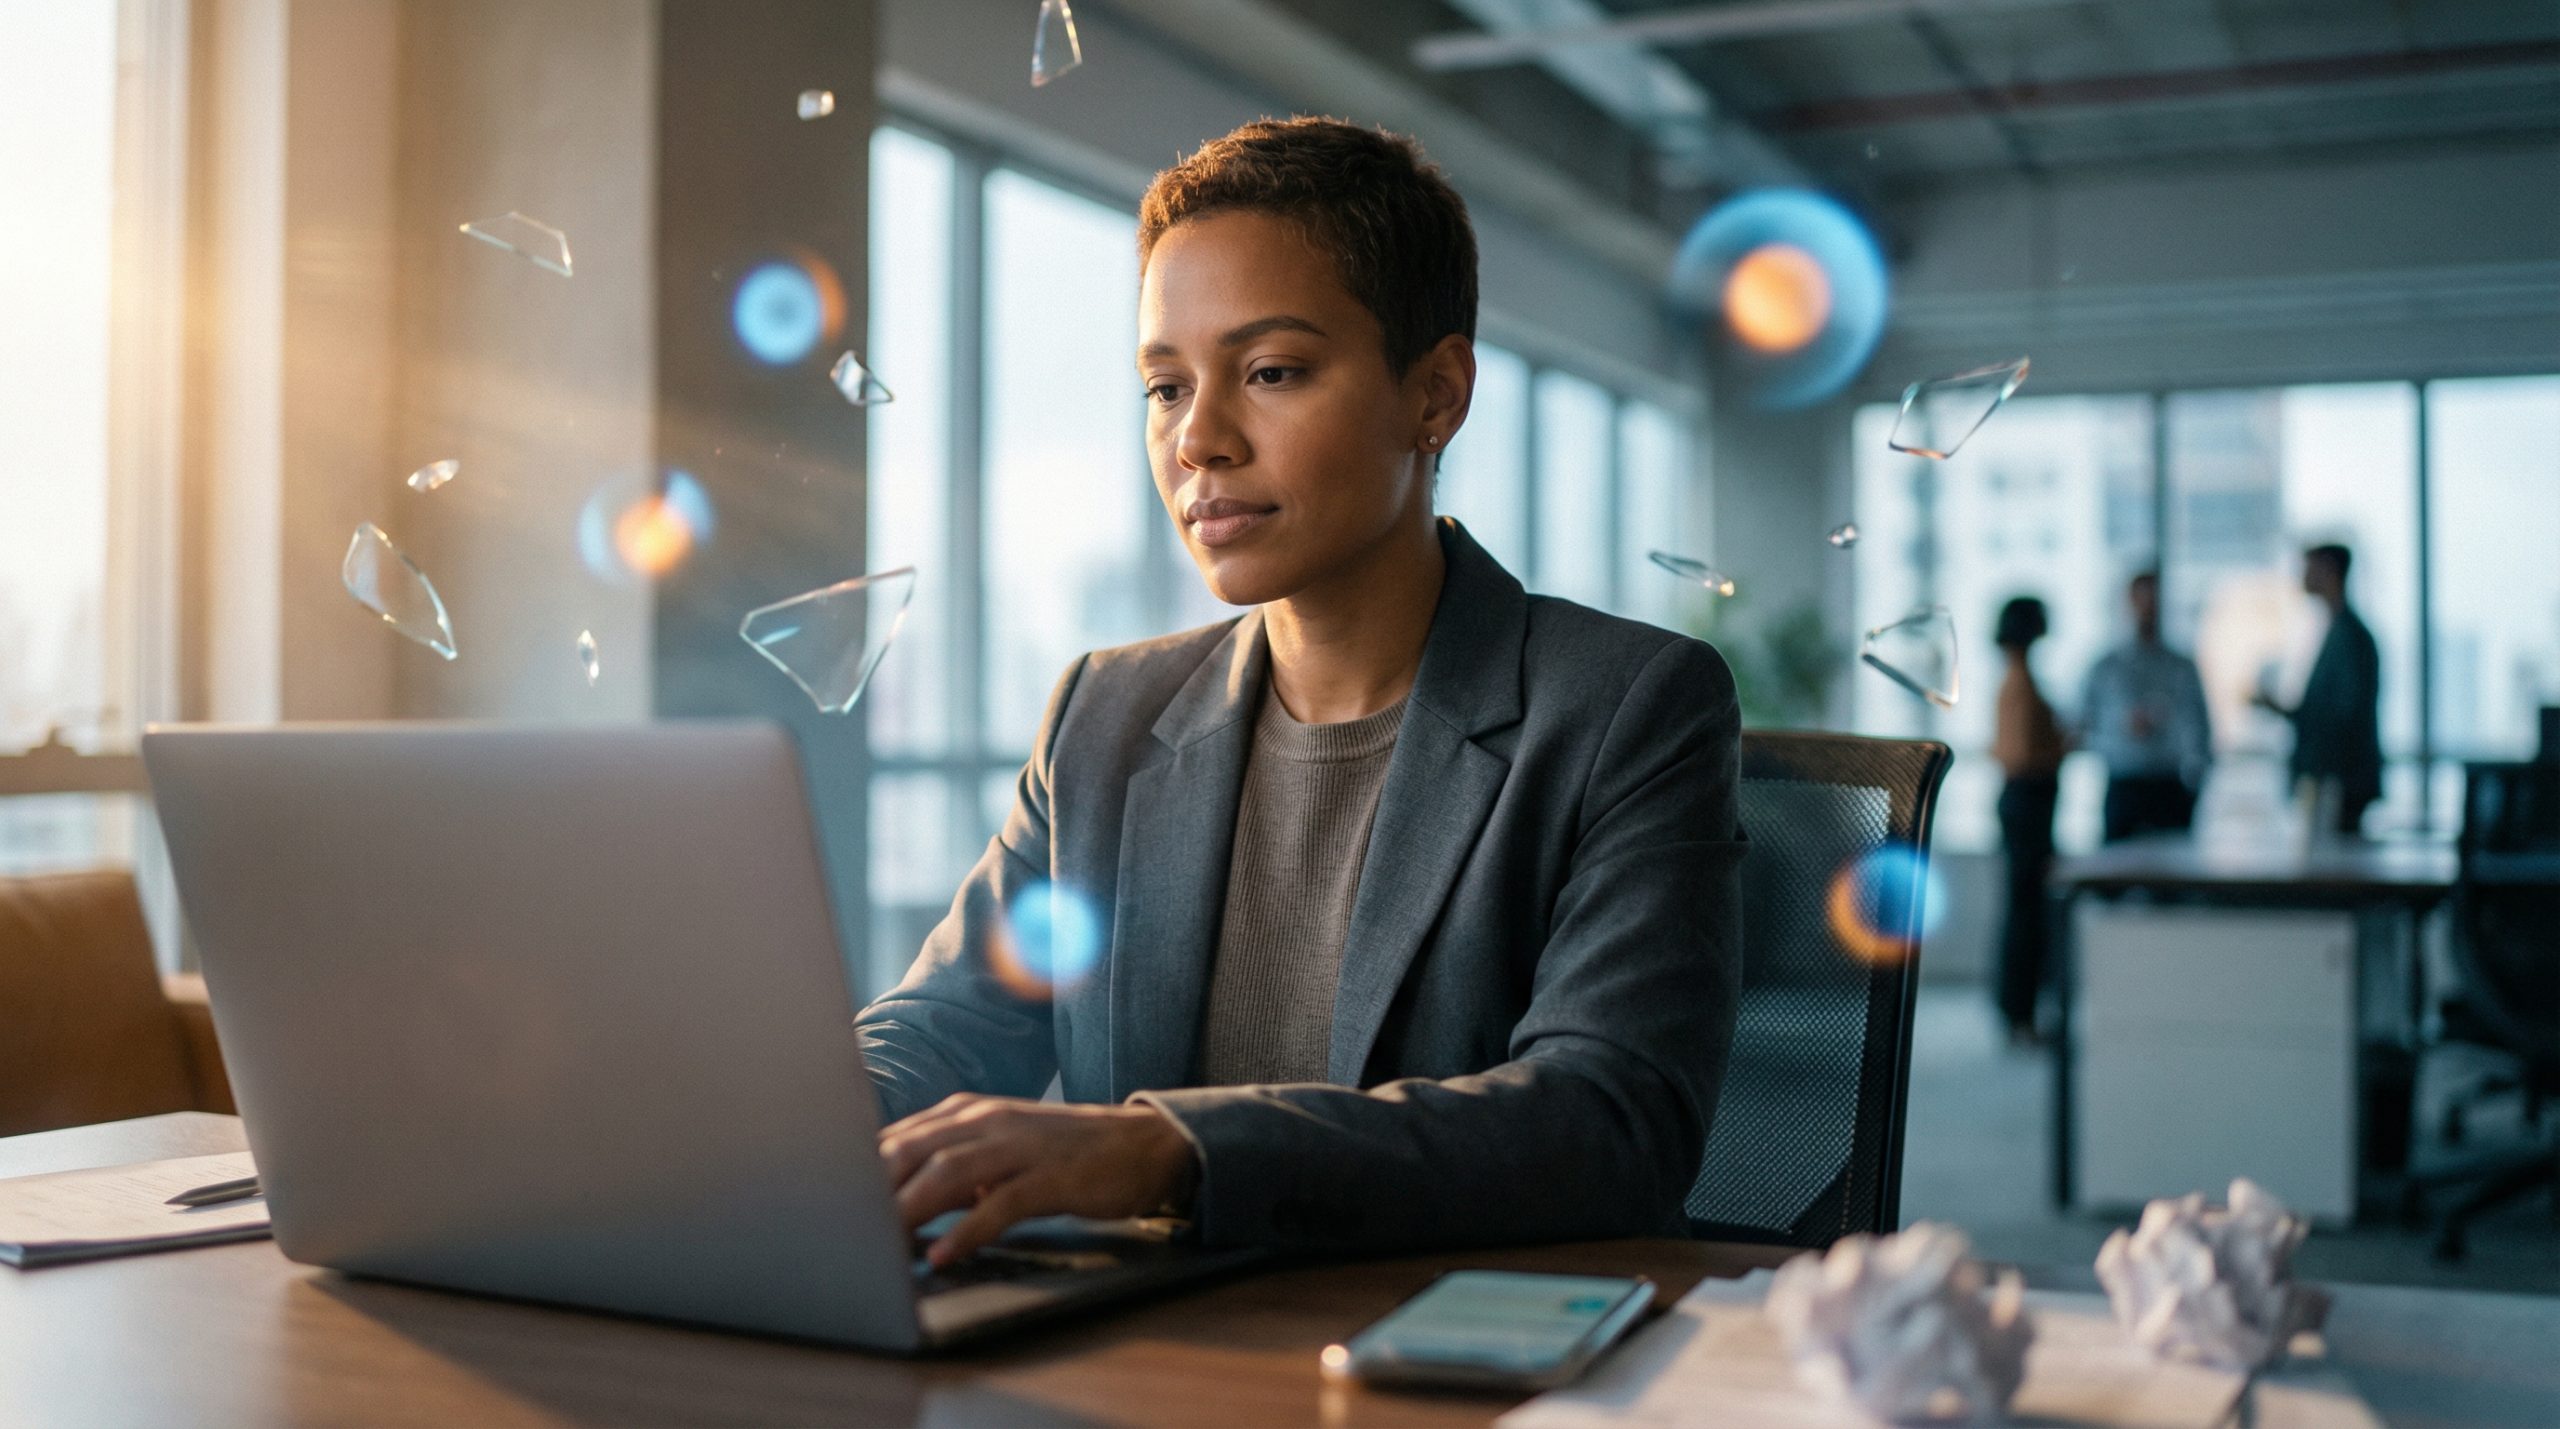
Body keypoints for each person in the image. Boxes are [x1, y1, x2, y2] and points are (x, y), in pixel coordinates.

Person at [854, 119, 1744, 1268]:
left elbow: (1608, 1120)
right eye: (1164, 386)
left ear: (1436, 394)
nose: (1199, 441)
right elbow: (950, 1027)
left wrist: (1169, 1150)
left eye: (1270, 372)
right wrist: (796, 1118)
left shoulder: (1629, 706)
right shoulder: (1104, 717)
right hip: (1152, 1357)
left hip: (1452, 1358)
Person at [2254, 543, 2383, 836]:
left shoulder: (2349, 637)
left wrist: (2286, 710)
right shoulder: (2338, 630)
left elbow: (2340, 715)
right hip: (2333, 776)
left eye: (2309, 567)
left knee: (2334, 865)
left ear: (2329, 571)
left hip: (2338, 778)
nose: (2303, 575)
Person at [2079, 571, 2212, 841]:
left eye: (2154, 599)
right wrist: (2121, 732)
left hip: (2170, 785)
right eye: (2141, 598)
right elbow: (2084, 728)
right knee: (2117, 872)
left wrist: (2198, 783)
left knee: (2172, 874)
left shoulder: (2181, 666)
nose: (2148, 607)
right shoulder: (2106, 667)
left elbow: (2201, 730)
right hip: (2123, 784)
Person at [1991, 596, 2067, 1046]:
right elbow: (2016, 755)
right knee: (2025, 912)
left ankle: (2020, 1011)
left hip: (2026, 806)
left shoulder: (2016, 680)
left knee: (2025, 909)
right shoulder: (2019, 684)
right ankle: (2020, 1015)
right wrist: (2062, 747)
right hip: (2027, 805)